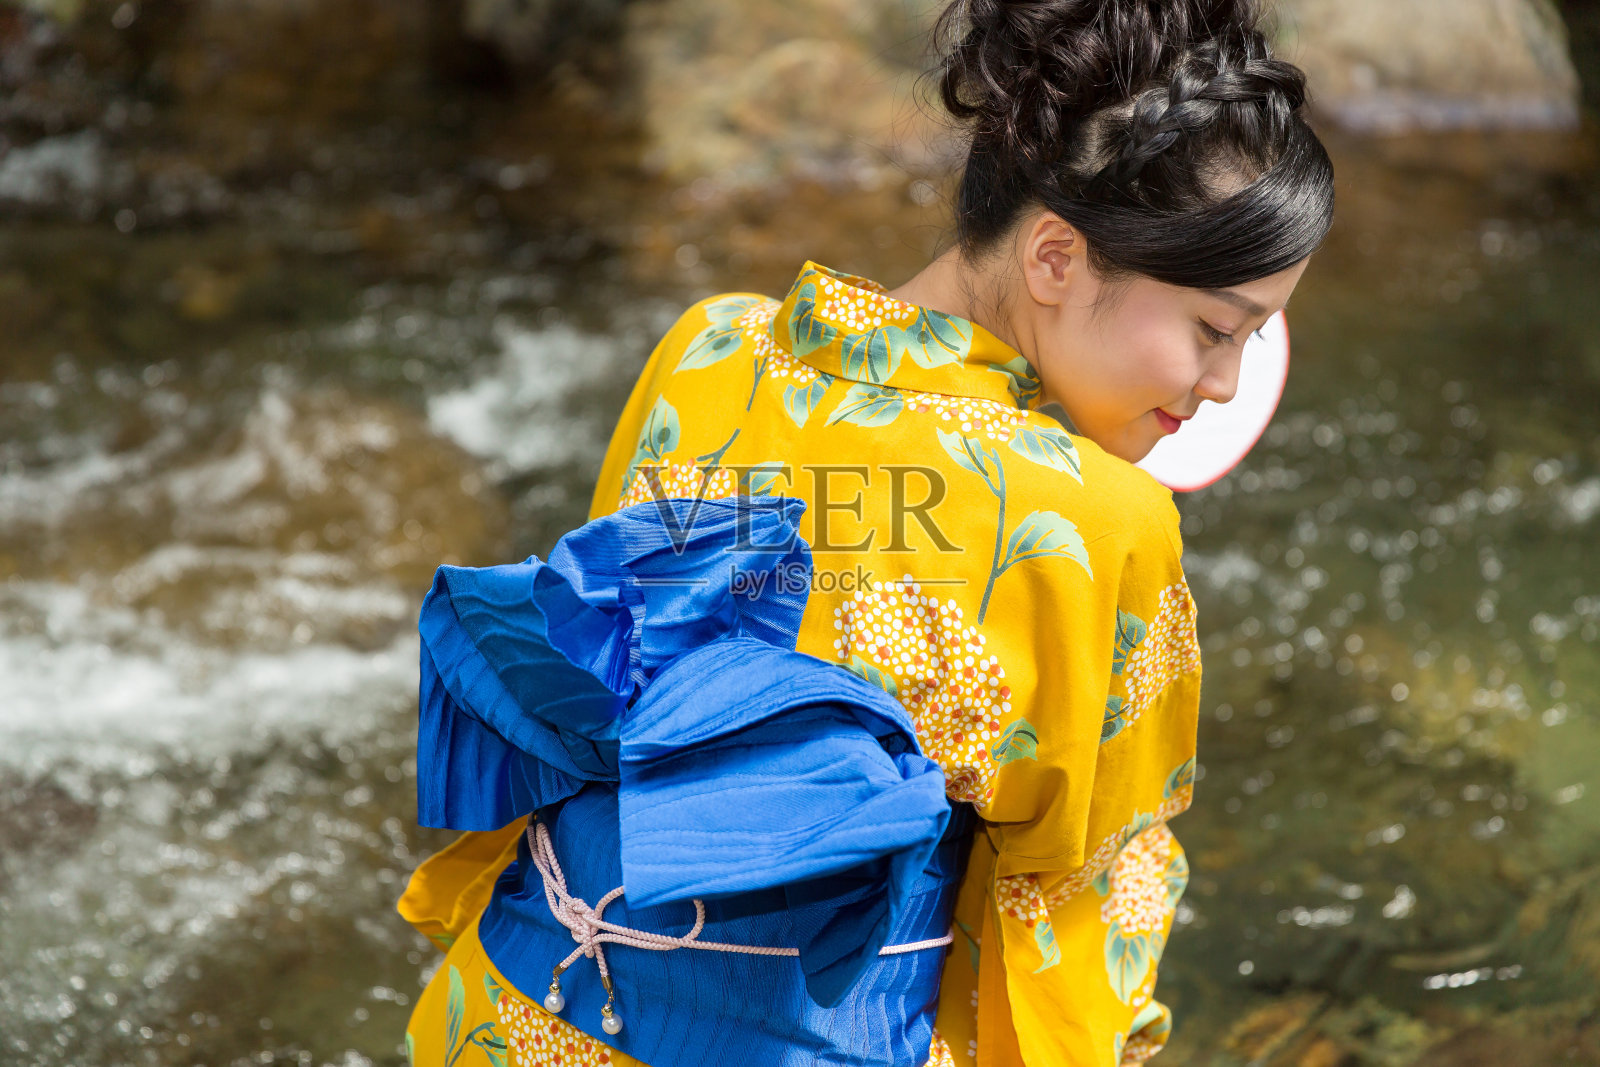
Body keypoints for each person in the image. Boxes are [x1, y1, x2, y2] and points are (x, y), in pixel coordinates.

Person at [396, 0, 1334, 1063]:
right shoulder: (1093, 517)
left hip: (506, 1013)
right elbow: (1083, 892)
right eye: (1215, 329)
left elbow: (585, 691)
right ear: (1056, 259)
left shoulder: (710, 350)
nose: (1221, 387)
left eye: (1252, 341)